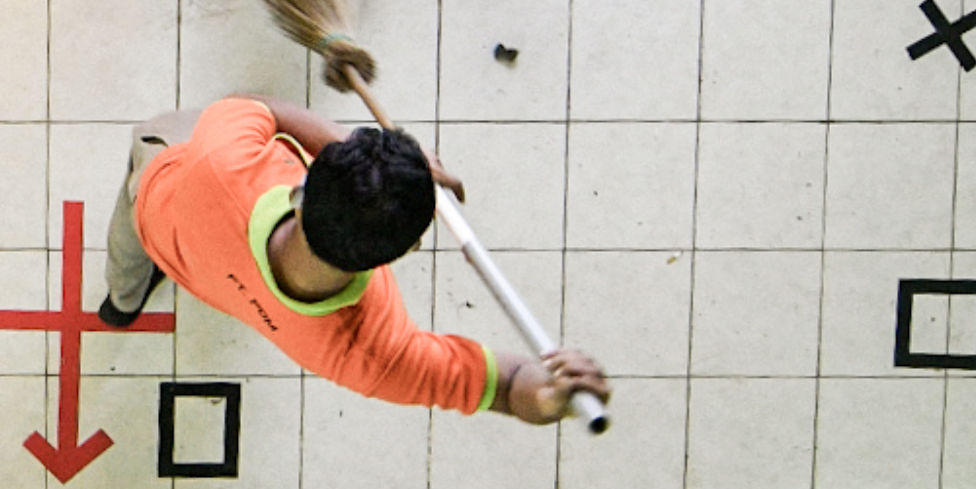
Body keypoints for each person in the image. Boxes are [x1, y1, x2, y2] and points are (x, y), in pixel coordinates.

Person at [98, 95, 610, 424]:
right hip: (215, 283)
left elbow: (259, 109)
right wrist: (549, 398)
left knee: (154, 140)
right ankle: (124, 298)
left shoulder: (224, 159)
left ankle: (122, 300)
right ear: (408, 249)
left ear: (302, 186)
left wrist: (353, 147)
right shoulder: (370, 354)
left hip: (155, 206)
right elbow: (502, 387)